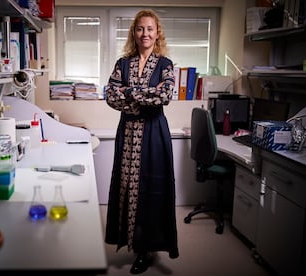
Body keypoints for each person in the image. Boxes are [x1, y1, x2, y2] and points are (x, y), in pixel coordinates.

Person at [104, 9, 179, 274]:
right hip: (128, 134)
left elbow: (164, 96)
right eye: (140, 29)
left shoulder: (166, 64)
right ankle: (131, 241)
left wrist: (129, 92)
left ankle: (147, 248)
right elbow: (111, 96)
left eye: (150, 29)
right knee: (127, 187)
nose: (145, 33)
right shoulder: (122, 64)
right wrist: (144, 94)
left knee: (151, 189)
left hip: (154, 134)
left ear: (157, 32)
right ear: (133, 33)